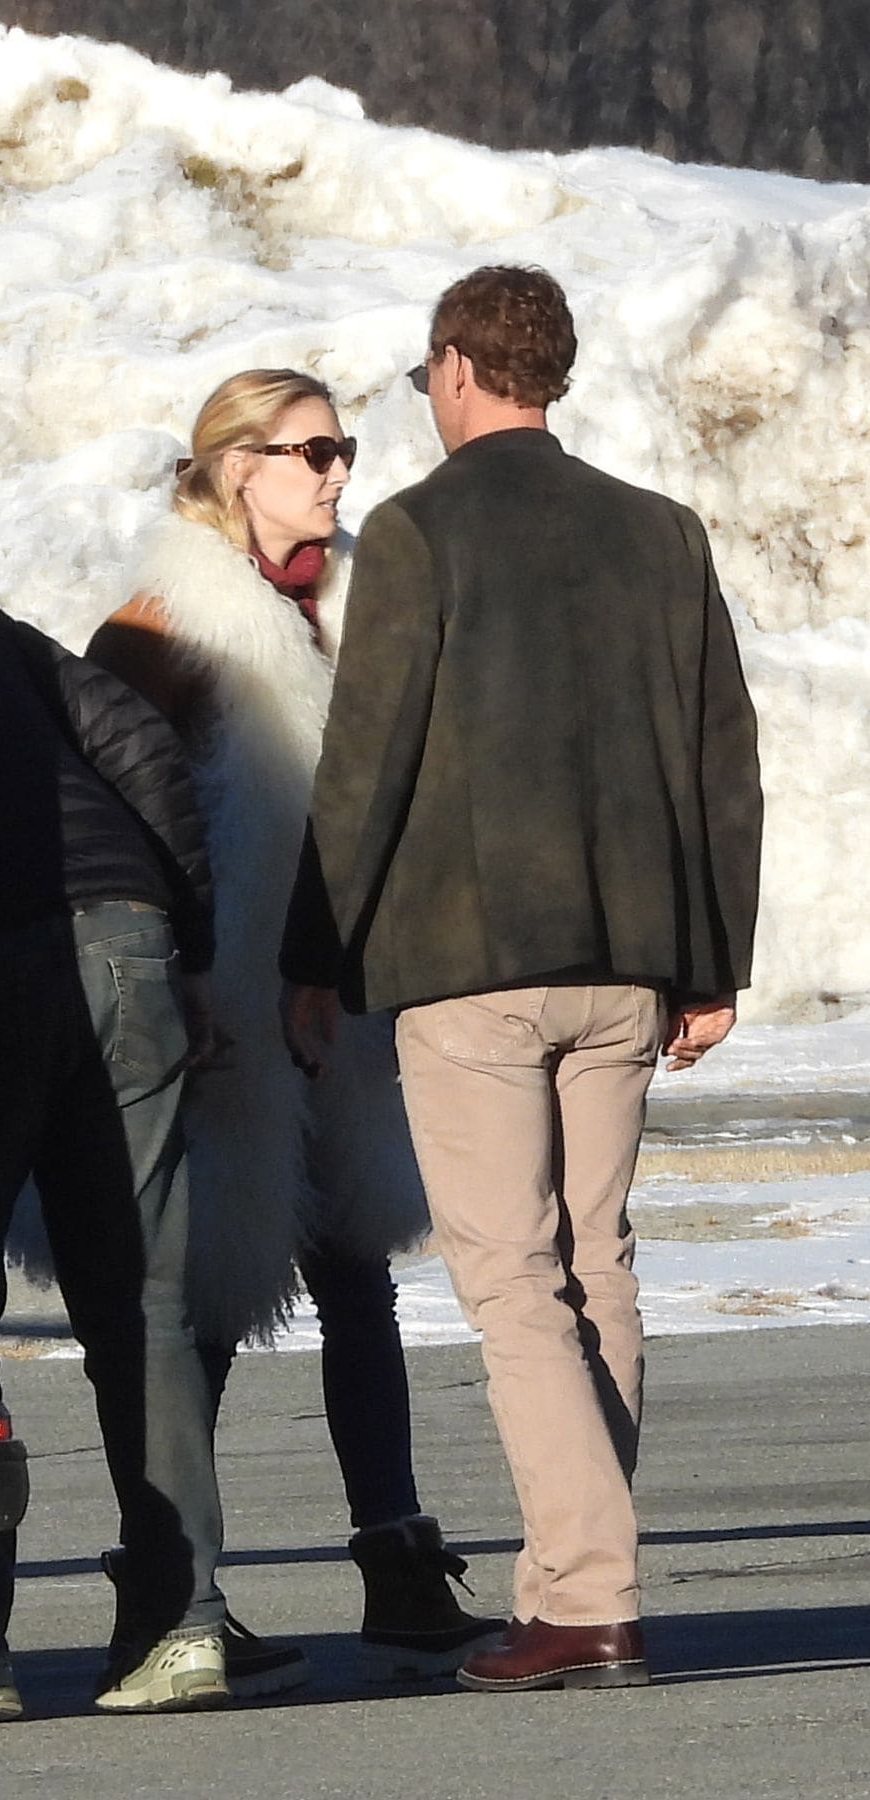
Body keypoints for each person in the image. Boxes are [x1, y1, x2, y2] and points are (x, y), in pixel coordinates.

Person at [280, 266, 763, 1694]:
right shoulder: (663, 534)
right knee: (594, 1262)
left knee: (509, 1281)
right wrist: (713, 958)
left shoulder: (423, 534)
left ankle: (590, 1597)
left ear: (455, 369)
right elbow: (721, 756)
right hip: (630, 963)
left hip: (470, 964)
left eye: (427, 377)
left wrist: (314, 953)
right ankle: (570, 1578)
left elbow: (366, 763)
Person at [86, 368, 503, 1691]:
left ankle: (395, 1555)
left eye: (343, 448)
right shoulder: (161, 632)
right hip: (212, 1022)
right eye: (308, 450)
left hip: (318, 1017)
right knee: (202, 1296)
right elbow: (108, 827)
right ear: (229, 469)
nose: (334, 472)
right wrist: (183, 985)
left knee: (356, 1275)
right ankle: (167, 1592)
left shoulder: (297, 621)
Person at [0, 596, 230, 1727]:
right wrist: (189, 944)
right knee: (145, 1307)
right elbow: (143, 746)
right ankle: (181, 1629)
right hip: (127, 936)